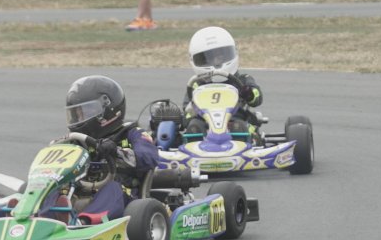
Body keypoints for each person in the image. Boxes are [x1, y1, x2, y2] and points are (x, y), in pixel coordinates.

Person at [61, 74, 160, 224]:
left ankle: (86, 223)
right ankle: (40, 217)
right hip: (81, 192)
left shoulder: (133, 134)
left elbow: (149, 157)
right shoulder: (77, 141)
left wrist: (116, 152)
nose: (78, 118)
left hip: (126, 198)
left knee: (113, 189)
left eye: (84, 113)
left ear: (106, 111)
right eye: (76, 114)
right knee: (55, 189)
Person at [183, 26, 264, 137]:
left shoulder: (242, 80)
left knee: (238, 127)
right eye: (209, 58)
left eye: (221, 56)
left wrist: (248, 93)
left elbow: (257, 98)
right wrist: (189, 115)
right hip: (205, 125)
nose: (216, 62)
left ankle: (241, 147)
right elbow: (186, 113)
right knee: (194, 127)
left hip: (237, 120)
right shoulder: (196, 84)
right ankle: (194, 149)